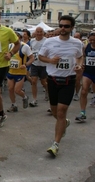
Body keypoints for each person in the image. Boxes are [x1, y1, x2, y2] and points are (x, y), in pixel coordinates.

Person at [39, 15, 83, 157]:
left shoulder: (77, 43)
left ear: (71, 28)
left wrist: (79, 65)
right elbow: (40, 57)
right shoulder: (50, 42)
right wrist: (51, 60)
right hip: (53, 80)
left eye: (66, 26)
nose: (63, 29)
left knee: (61, 111)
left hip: (68, 80)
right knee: (55, 112)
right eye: (61, 26)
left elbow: (80, 56)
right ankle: (64, 123)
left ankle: (55, 144)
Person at [6, 32, 34, 112]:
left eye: (16, 37)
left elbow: (32, 58)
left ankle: (25, 97)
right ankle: (13, 105)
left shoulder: (25, 46)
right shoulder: (9, 46)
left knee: (17, 90)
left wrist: (26, 64)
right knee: (10, 89)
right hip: (10, 71)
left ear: (19, 37)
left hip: (20, 72)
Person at [75, 31, 95, 122]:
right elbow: (83, 56)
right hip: (88, 72)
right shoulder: (86, 47)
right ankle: (82, 112)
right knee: (84, 91)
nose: (92, 42)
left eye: (94, 40)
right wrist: (82, 64)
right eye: (90, 40)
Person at [29, 27, 49, 106]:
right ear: (35, 32)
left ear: (43, 33)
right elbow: (30, 50)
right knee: (34, 81)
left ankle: (47, 91)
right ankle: (34, 99)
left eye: (41, 31)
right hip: (35, 63)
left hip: (43, 64)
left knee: (43, 82)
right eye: (38, 31)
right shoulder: (32, 41)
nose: (39, 33)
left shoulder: (46, 41)